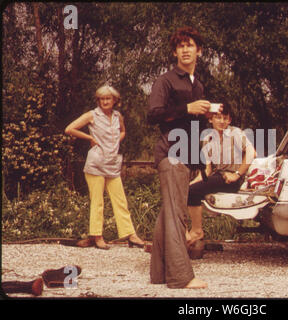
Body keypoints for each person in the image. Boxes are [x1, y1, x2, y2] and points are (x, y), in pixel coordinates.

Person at [147, 26, 214, 289]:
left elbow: (192, 128)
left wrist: (199, 162)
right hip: (170, 154)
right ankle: (180, 277)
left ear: (199, 51)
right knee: (177, 215)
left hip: (186, 156)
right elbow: (153, 115)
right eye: (181, 46)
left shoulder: (197, 84)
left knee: (168, 212)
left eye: (191, 45)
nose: (186, 49)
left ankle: (159, 274)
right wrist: (187, 108)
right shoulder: (165, 81)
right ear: (175, 52)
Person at [65, 85, 146, 250]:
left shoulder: (118, 116)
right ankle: (97, 236)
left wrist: (115, 141)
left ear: (114, 100)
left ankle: (131, 234)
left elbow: (123, 132)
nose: (105, 102)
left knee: (120, 200)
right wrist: (89, 137)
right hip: (95, 163)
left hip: (112, 163)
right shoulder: (92, 115)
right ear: (98, 100)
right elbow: (69, 129)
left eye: (108, 98)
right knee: (98, 201)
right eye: (102, 99)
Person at [187, 103, 256, 245]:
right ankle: (185, 230)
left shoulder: (235, 133)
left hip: (231, 179)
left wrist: (237, 174)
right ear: (211, 119)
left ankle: (197, 231)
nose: (222, 121)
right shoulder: (208, 138)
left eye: (225, 118)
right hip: (217, 177)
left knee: (192, 192)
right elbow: (207, 170)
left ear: (229, 120)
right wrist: (192, 183)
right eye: (218, 117)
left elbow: (251, 152)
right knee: (189, 190)